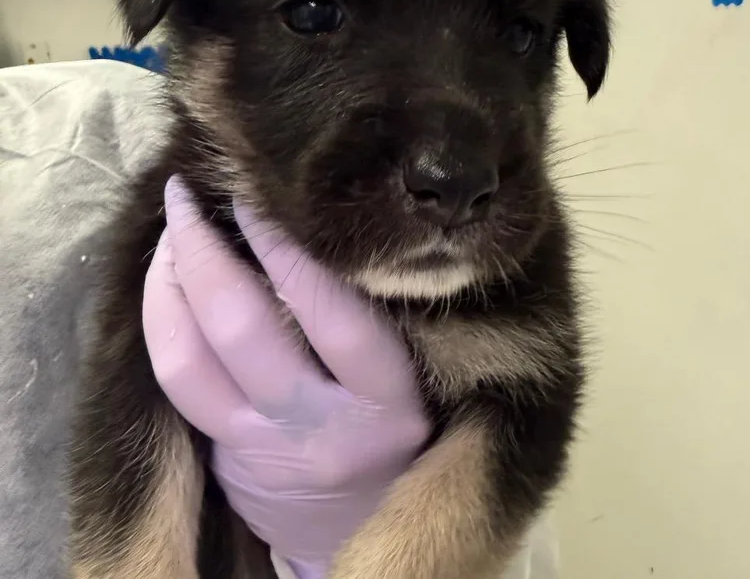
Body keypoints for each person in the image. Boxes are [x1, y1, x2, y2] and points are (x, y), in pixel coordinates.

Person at [0, 59, 558, 579]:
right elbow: (126, 480)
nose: (447, 168)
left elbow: (528, 414)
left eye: (519, 32)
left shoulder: (92, 122)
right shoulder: (161, 218)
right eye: (314, 16)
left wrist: (381, 550)